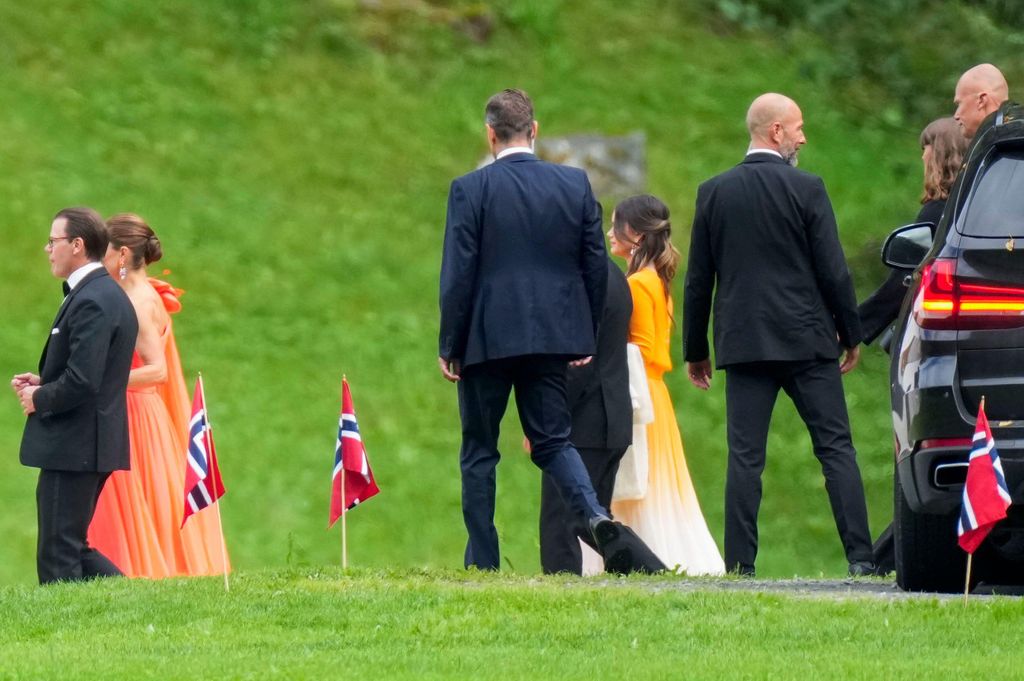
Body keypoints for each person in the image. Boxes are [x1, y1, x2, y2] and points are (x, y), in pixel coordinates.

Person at [438, 88, 656, 573]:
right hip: (552, 340)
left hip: (486, 342)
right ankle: (594, 515)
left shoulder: (469, 190)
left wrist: (450, 345)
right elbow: (594, 266)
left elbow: (458, 274)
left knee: (479, 452)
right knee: (555, 441)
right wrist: (582, 336)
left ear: (490, 134)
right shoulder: (574, 185)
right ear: (534, 131)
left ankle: (484, 563)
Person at [683, 93, 875, 577]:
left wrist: (695, 350)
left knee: (745, 458)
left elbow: (698, 279)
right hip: (808, 341)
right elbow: (833, 271)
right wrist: (852, 333)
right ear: (776, 133)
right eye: (798, 128)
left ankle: (741, 566)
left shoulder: (714, 192)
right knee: (835, 449)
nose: (803, 137)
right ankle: (861, 559)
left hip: (744, 343)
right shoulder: (807, 189)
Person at [87, 214, 230, 577]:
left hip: (135, 415)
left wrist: (101, 382)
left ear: (121, 256)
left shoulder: (137, 302)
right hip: (139, 412)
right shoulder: (139, 294)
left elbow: (157, 369)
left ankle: (136, 570)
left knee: (130, 502)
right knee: (141, 502)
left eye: (101, 252)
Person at [12, 207, 137, 584]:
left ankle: (62, 631)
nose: (48, 249)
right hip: (87, 443)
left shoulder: (93, 299)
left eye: (53, 241)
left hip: (75, 444)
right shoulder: (100, 293)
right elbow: (89, 369)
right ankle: (136, 600)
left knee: (58, 550)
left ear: (77, 245)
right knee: (71, 545)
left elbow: (84, 381)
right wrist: (45, 378)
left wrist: (39, 398)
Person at [607, 195, 725, 575]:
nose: (610, 233)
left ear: (636, 236)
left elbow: (637, 350)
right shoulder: (657, 279)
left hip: (638, 390)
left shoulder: (638, 284)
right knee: (654, 479)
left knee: (638, 480)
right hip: (655, 391)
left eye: (616, 226)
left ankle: (645, 556)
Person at [538, 257, 632, 575]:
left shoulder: (582, 281)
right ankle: (636, 572)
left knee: (560, 522)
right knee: (593, 522)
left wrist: (548, 417)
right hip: (614, 417)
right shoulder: (615, 275)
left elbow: (579, 365)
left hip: (584, 422)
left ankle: (559, 595)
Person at [859, 117, 968, 345]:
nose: (922, 156)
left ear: (939, 153)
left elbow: (903, 282)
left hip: (940, 334)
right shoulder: (970, 204)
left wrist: (853, 328)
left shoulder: (938, 212)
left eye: (925, 148)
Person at [954, 63, 1009, 141]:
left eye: (959, 103)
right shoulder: (1014, 136)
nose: (956, 116)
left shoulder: (1003, 147)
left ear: (981, 100)